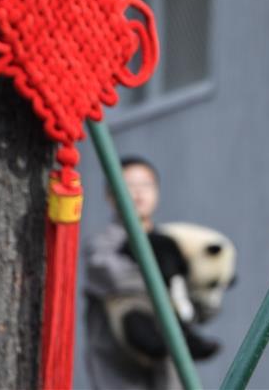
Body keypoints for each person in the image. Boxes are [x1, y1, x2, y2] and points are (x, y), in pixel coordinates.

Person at [82, 156, 181, 390]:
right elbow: (114, 276)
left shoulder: (171, 242)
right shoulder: (101, 244)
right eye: (128, 186)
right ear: (110, 195)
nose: (138, 193)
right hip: (119, 366)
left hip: (167, 362)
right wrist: (165, 275)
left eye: (145, 185)